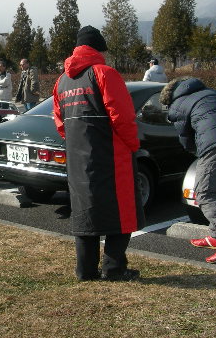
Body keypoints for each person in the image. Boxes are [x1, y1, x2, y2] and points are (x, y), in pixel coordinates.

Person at [52, 25, 144, 281]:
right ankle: (114, 268)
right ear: (98, 49)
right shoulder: (105, 74)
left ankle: (86, 270)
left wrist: (78, 144)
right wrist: (132, 145)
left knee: (85, 212)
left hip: (78, 158)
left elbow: (60, 122)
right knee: (122, 211)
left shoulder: (62, 81)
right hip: (111, 155)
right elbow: (122, 116)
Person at [160, 76, 216, 263]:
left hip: (213, 143)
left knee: (205, 193)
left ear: (168, 99)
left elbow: (185, 138)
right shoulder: (209, 93)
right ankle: (215, 235)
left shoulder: (177, 105)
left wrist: (197, 153)